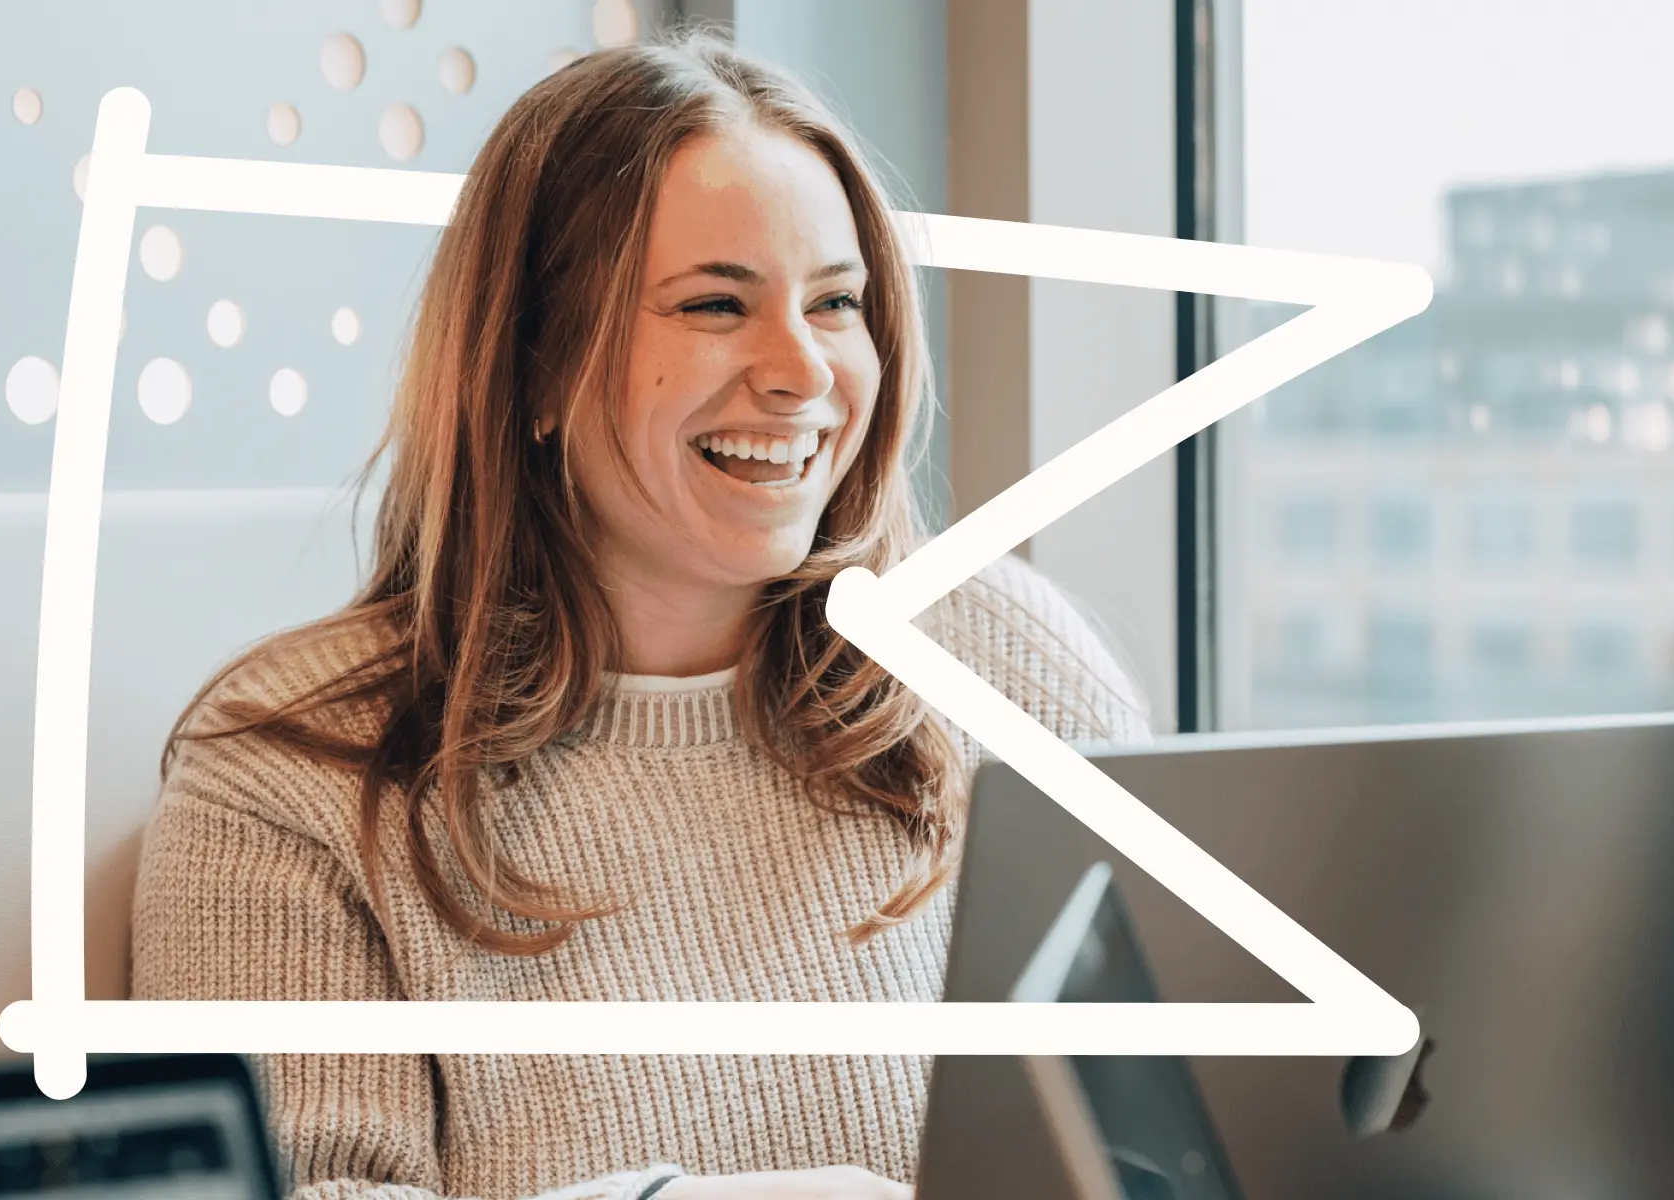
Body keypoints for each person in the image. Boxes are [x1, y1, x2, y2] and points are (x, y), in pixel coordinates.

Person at [129, 31, 1150, 1200]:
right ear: (536, 369)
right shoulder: (289, 778)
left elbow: (1198, 1122)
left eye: (836, 303)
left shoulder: (1016, 670)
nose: (803, 371)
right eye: (717, 305)